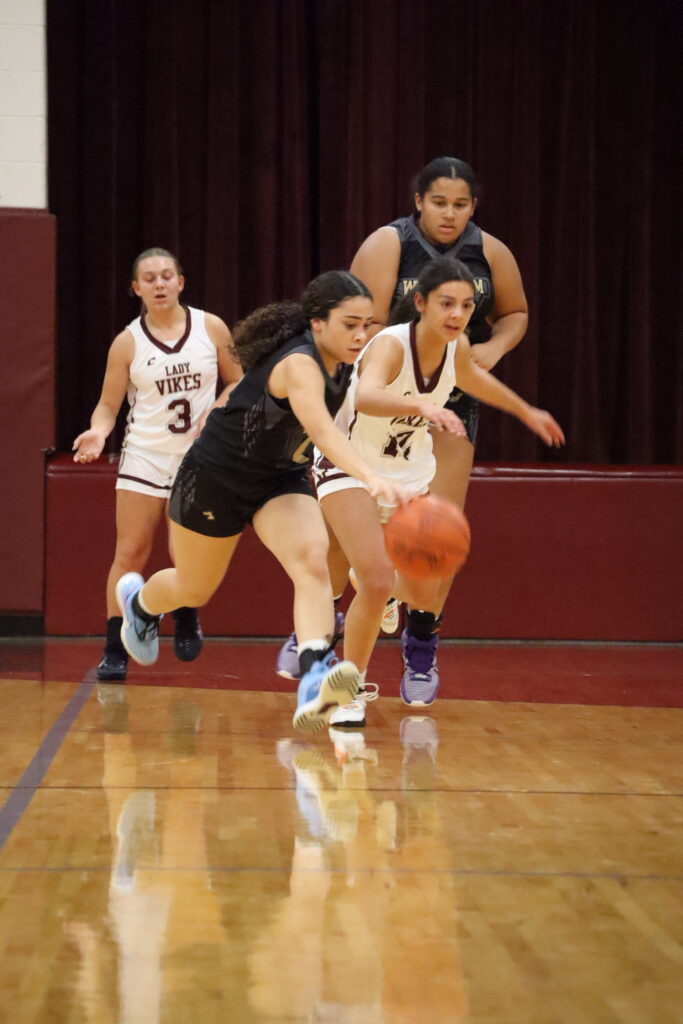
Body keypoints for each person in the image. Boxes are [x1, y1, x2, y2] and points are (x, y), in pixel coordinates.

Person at [112, 272, 410, 733]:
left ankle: (315, 676)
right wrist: (371, 477)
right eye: (349, 324)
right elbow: (322, 431)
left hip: (278, 479)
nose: (359, 335)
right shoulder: (300, 364)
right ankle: (141, 605)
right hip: (215, 477)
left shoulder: (346, 364)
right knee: (194, 589)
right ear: (317, 323)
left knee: (311, 561)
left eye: (366, 325)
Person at [274, 155, 530, 680]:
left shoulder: (492, 252)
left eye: (460, 204)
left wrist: (494, 349)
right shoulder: (388, 244)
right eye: (439, 202)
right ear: (418, 202)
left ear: (473, 207)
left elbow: (515, 313)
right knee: (341, 533)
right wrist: (385, 376)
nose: (449, 213)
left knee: (436, 530)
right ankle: (318, 627)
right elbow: (359, 323)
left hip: (448, 393)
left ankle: (421, 639)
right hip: (383, 389)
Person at [312, 257, 563, 720]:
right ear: (421, 303)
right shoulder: (391, 345)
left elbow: (475, 379)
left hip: (407, 473)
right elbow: (365, 395)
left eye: (467, 305)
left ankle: (377, 585)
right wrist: (423, 408)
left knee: (425, 595)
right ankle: (347, 692)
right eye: (447, 303)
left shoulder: (455, 347)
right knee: (377, 581)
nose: (457, 314)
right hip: (349, 464)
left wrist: (526, 411)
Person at [72, 248, 242, 681]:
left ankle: (185, 614)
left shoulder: (211, 327)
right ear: (137, 288)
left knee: (185, 552)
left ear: (181, 282)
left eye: (167, 275)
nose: (160, 283)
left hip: (197, 458)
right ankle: (115, 649)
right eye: (150, 278)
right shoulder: (127, 342)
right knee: (129, 552)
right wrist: (98, 431)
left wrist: (216, 411)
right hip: (145, 456)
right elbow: (108, 405)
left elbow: (239, 382)